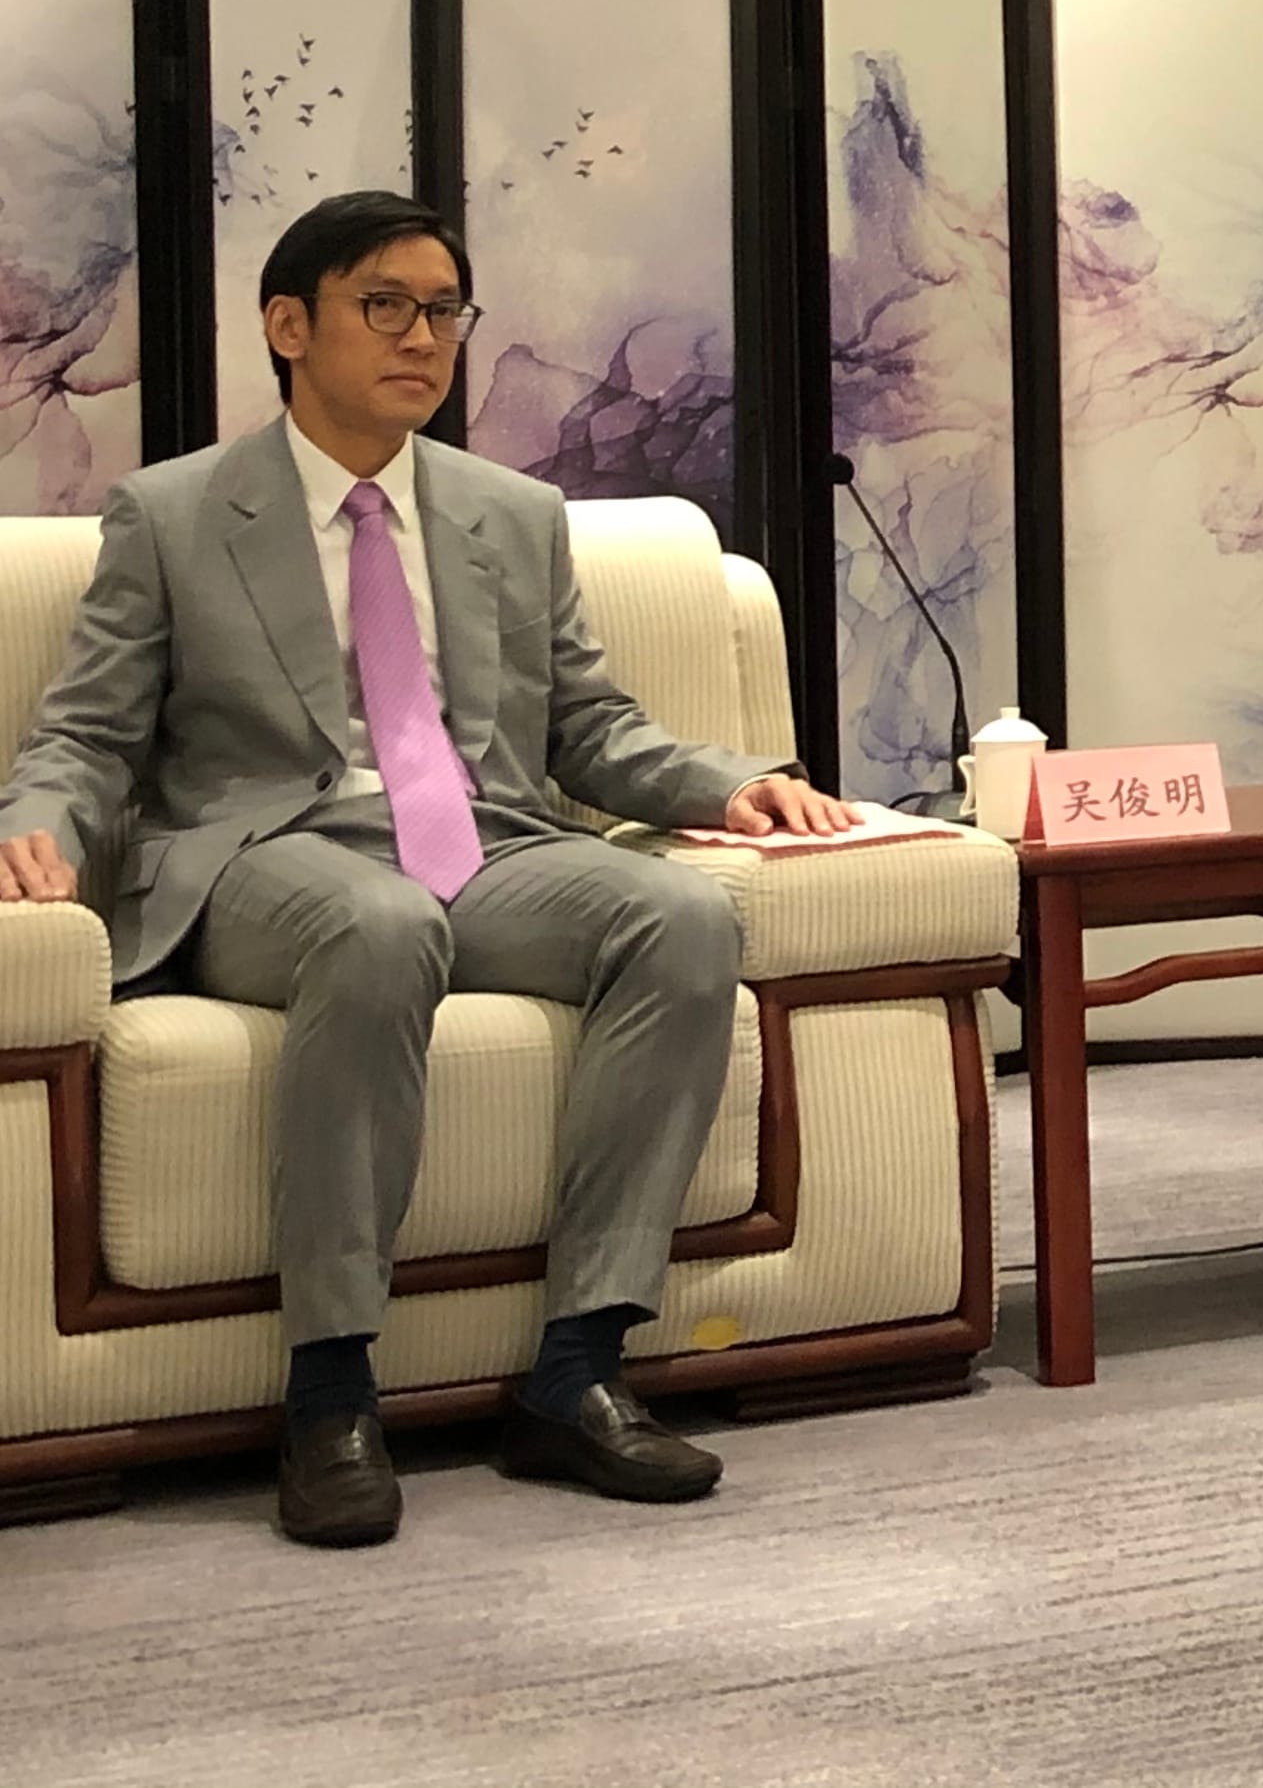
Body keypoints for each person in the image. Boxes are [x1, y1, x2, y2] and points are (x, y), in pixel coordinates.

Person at [0, 192, 858, 1546]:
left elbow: (590, 726)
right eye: (385, 304)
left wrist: (728, 782)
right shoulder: (173, 514)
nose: (424, 337)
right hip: (269, 860)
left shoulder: (511, 513)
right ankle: (332, 1391)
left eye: (445, 309)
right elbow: (88, 731)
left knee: (680, 915)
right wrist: (35, 818)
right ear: (290, 326)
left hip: (482, 845)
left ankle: (577, 1367)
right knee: (380, 924)